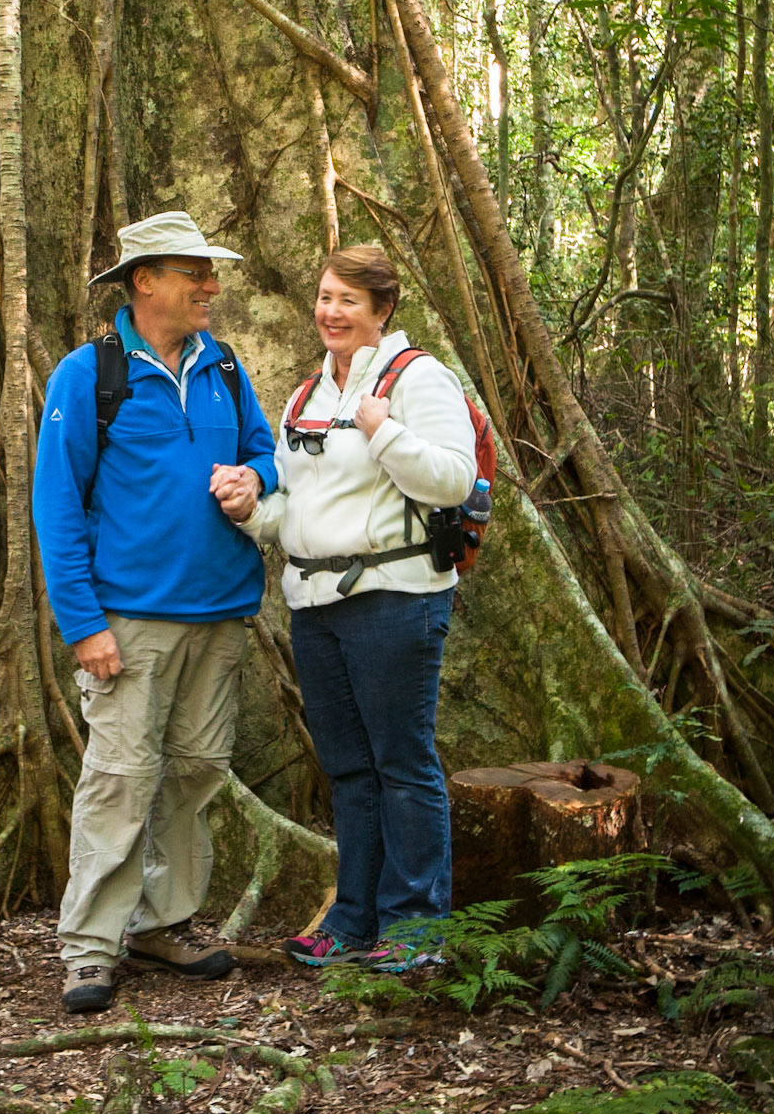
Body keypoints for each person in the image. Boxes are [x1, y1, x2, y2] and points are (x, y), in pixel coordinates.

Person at [33, 210, 277, 1014]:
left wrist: (256, 482)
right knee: (120, 779)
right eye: (194, 274)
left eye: (210, 273)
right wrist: (82, 623)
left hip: (221, 611)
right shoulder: (88, 375)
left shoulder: (225, 366)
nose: (211, 287)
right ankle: (90, 949)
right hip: (128, 619)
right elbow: (57, 504)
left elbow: (263, 451)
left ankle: (160, 924)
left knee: (198, 770)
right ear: (144, 282)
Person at [213, 245, 475, 972]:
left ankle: (415, 926)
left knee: (401, 761)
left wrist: (382, 430)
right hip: (313, 602)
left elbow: (453, 480)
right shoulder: (305, 395)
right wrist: (249, 509)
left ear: (381, 310)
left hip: (394, 600)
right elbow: (293, 507)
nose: (330, 312)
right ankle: (351, 919)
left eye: (347, 301)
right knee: (349, 770)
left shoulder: (417, 377)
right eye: (324, 297)